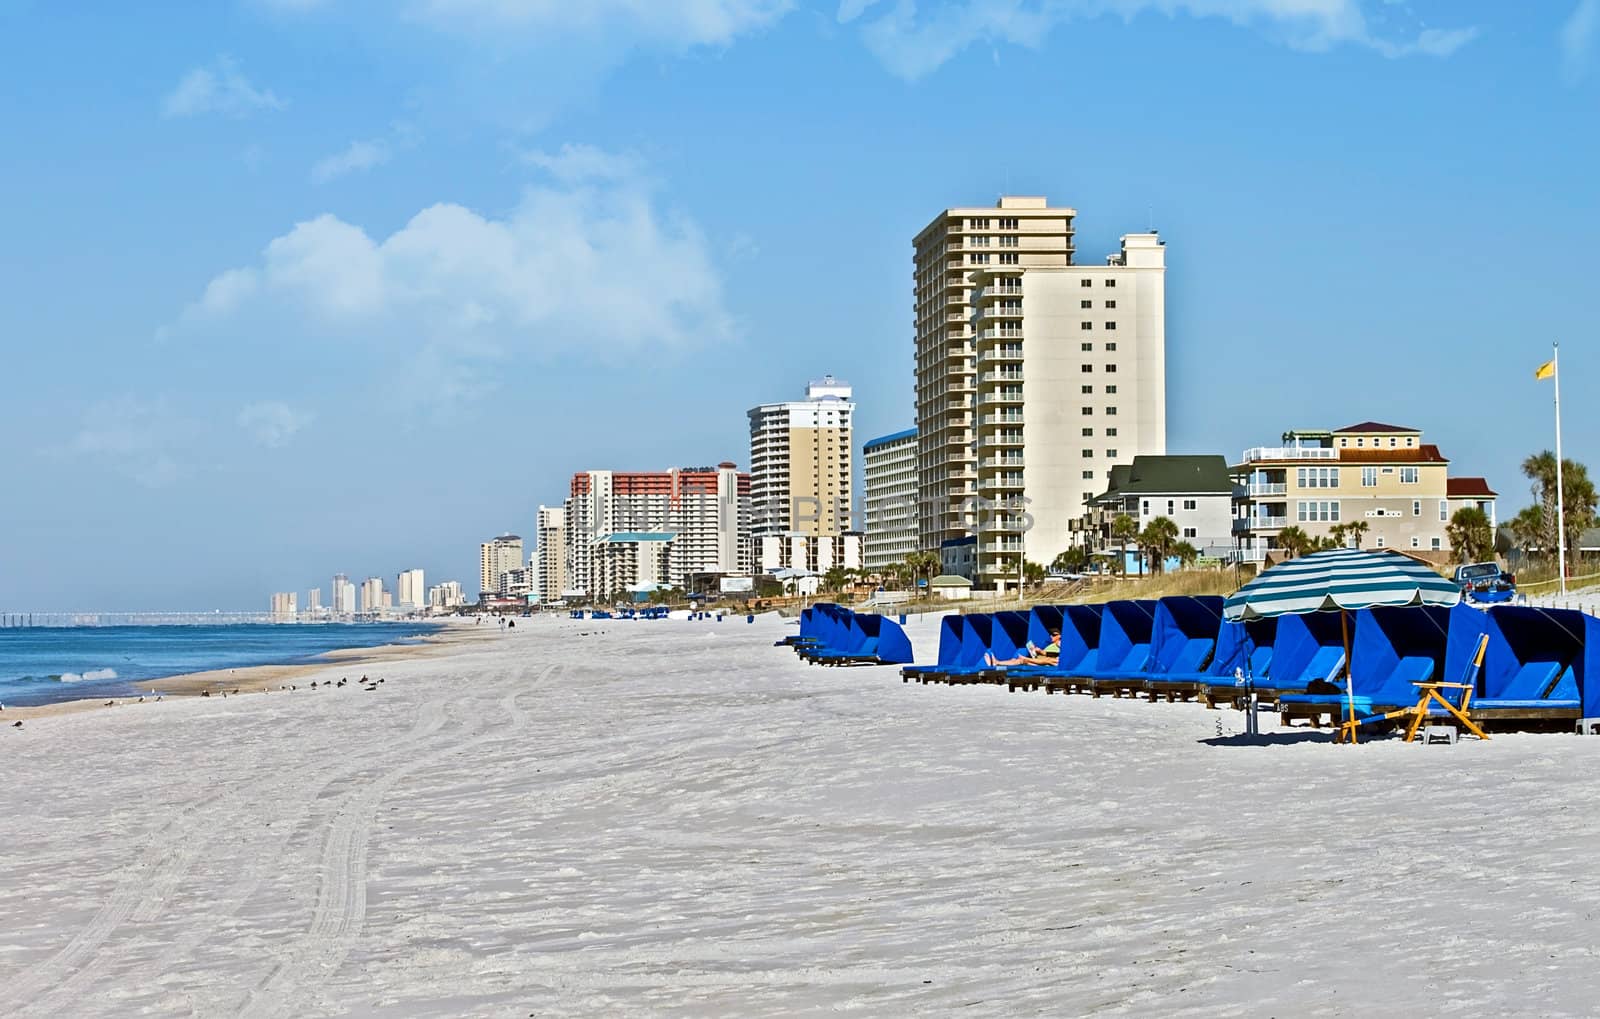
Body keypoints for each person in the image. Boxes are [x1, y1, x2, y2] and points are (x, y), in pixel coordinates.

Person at [986, 629, 1061, 667]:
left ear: (1060, 636)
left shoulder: (1060, 643)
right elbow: (1050, 654)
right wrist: (1038, 651)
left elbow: (1052, 657)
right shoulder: (1051, 645)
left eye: (1054, 635)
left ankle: (997, 663)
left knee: (1021, 661)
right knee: (1017, 660)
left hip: (1043, 662)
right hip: (1039, 659)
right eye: (1051, 634)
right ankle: (997, 662)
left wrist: (1041, 652)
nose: (1051, 636)